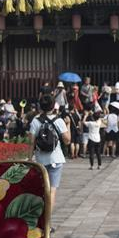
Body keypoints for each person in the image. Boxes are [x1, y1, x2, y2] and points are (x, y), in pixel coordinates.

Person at [29, 95, 71, 224]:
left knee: (42, 190)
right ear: (53, 106)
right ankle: (47, 222)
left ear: (40, 106)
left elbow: (31, 143)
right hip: (56, 159)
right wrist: (68, 124)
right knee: (52, 190)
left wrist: (30, 158)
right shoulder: (59, 121)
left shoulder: (35, 121)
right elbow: (67, 140)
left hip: (40, 160)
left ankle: (39, 218)